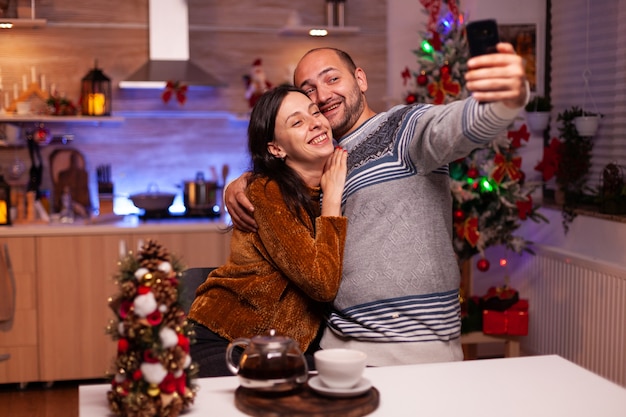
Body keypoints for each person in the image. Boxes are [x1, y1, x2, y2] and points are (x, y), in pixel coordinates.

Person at [225, 45, 528, 366]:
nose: (323, 95)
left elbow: (463, 123)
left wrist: (506, 97)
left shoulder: (404, 129)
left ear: (360, 79)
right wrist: (245, 181)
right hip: (334, 353)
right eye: (308, 90)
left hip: (417, 354)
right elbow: (279, 188)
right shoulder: (316, 159)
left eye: (332, 79)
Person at [188, 85, 348, 377]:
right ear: (276, 148)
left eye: (315, 113)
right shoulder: (266, 192)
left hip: (274, 348)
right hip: (225, 340)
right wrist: (334, 198)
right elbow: (322, 283)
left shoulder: (317, 189)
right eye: (297, 122)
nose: (315, 122)